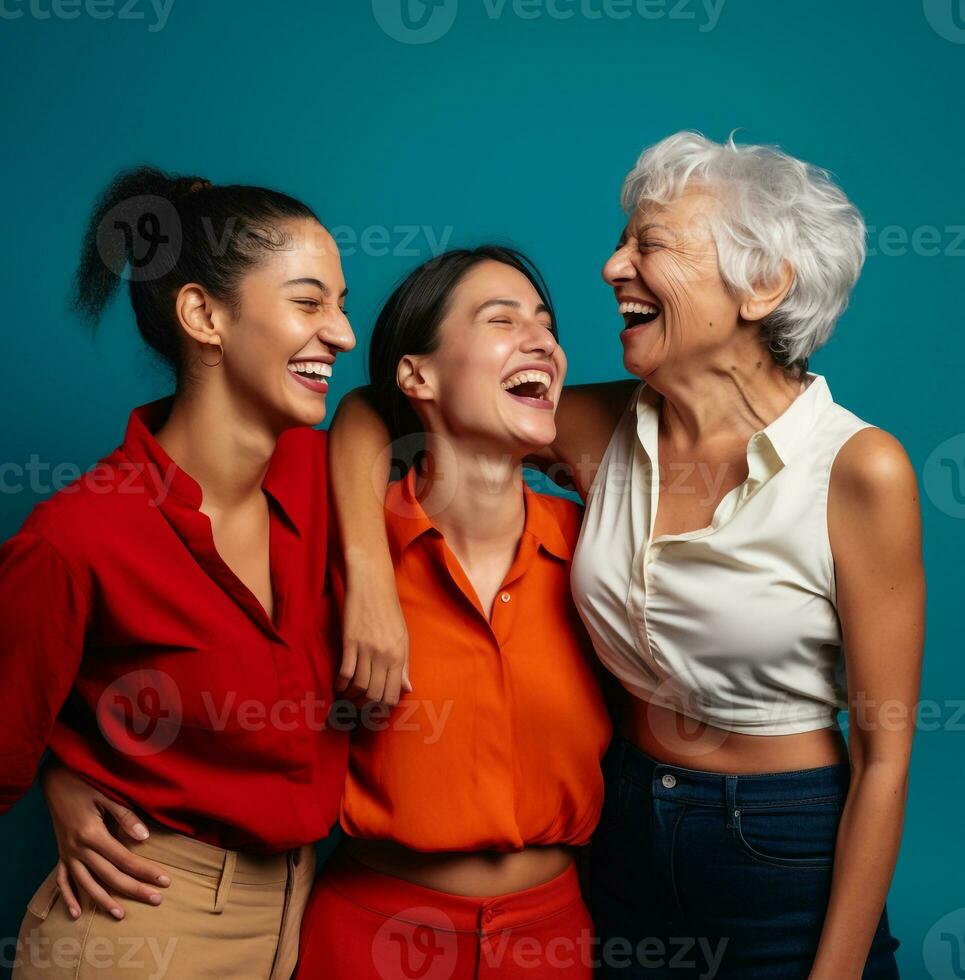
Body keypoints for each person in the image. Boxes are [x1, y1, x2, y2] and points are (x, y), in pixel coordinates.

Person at [327, 133, 925, 978]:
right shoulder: (598, 426)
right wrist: (366, 581)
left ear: (761, 285)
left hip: (782, 843)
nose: (610, 268)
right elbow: (374, 407)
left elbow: (884, 758)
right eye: (621, 243)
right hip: (622, 829)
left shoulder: (858, 469)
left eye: (649, 245)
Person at [0, 165, 356, 979]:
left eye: (341, 304)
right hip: (140, 924)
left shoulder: (329, 472)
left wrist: (365, 574)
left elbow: (411, 410)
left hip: (303, 917)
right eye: (309, 303)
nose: (341, 334)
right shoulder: (77, 536)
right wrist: (65, 767)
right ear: (203, 314)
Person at [295, 247, 613, 978]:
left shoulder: (598, 554)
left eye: (545, 323)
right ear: (416, 376)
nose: (540, 339)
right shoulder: (336, 542)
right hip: (368, 938)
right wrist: (77, 778)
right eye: (501, 320)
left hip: (553, 939)